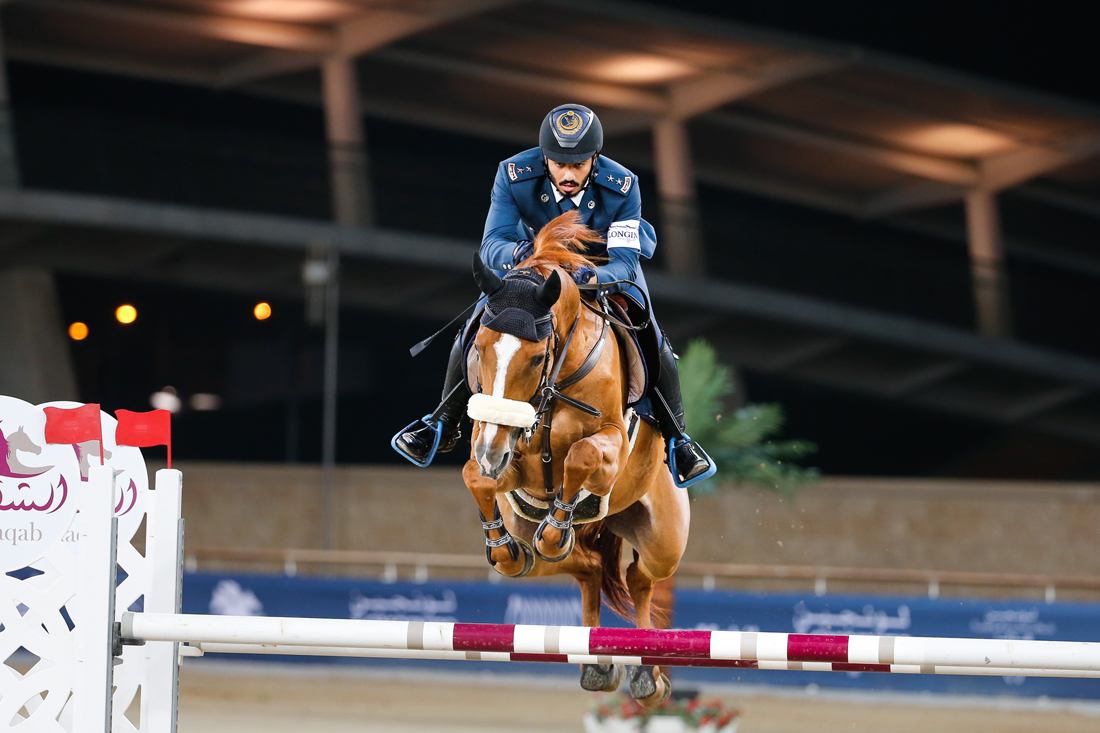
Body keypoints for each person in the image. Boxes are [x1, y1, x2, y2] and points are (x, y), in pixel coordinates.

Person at [393, 103, 713, 486]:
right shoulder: (513, 174)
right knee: (478, 326)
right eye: (559, 164)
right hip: (533, 269)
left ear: (594, 160)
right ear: (545, 159)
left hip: (597, 270)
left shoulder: (623, 184)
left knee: (652, 336)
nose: (567, 174)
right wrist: (526, 258)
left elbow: (625, 262)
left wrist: (583, 275)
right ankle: (441, 424)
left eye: (577, 165)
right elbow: (493, 242)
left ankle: (678, 439)